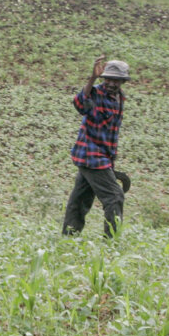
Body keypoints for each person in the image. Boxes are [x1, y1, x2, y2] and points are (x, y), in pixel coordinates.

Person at [61, 56, 129, 238]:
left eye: (115, 80)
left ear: (122, 82)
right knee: (115, 196)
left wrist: (111, 160)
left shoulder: (120, 98)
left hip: (101, 156)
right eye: (107, 79)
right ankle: (111, 243)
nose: (110, 83)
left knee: (80, 200)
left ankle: (68, 238)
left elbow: (111, 132)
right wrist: (91, 79)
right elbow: (80, 103)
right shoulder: (95, 94)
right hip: (91, 155)